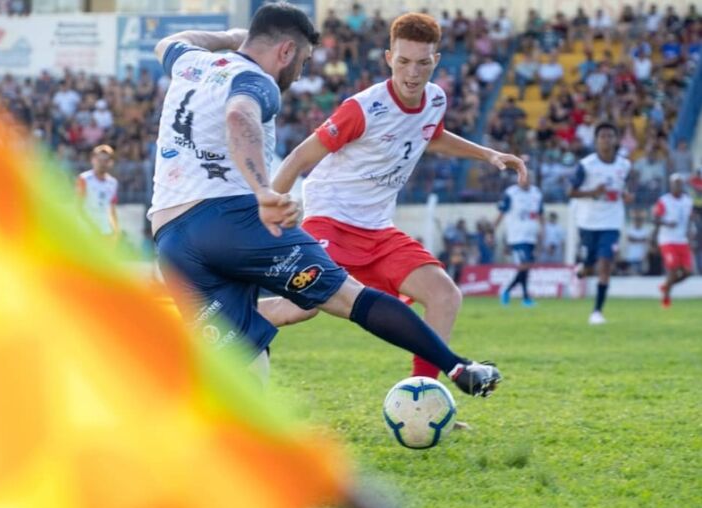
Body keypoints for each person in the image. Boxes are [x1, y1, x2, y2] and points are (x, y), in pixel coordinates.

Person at [147, 3, 500, 397]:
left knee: (239, 354)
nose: (299, 74)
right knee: (350, 298)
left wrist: (231, 39)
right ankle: (458, 368)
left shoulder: (190, 63)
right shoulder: (257, 82)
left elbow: (170, 42)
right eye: (302, 60)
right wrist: (264, 191)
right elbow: (239, 117)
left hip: (170, 235)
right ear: (284, 51)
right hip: (227, 221)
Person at [271, 12, 526, 381]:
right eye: (403, 62)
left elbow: (431, 135)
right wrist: (262, 213)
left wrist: (487, 154)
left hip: (377, 229)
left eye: (423, 63)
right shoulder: (362, 108)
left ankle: (423, 401)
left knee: (445, 296)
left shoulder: (435, 99)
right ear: (389, 58)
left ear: (435, 62)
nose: (412, 73)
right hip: (331, 219)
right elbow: (299, 157)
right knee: (301, 308)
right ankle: (217, 326)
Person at [569, 122, 633, 325]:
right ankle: (581, 268)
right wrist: (593, 193)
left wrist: (627, 195)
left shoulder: (625, 165)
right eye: (602, 136)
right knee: (588, 268)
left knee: (605, 265)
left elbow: (626, 188)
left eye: (610, 136)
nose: (606, 140)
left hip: (612, 222)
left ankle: (597, 311)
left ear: (616, 140)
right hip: (588, 221)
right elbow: (570, 192)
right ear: (596, 140)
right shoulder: (586, 165)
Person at [494, 177, 544, 307]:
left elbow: (540, 213)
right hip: (517, 236)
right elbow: (502, 212)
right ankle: (513, 293)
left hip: (531, 236)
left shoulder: (536, 193)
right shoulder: (511, 193)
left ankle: (521, 296)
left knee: (526, 267)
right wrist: (492, 229)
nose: (525, 180)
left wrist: (542, 230)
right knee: (524, 265)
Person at [653, 174, 694, 307]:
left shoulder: (687, 201)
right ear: (670, 185)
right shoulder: (664, 201)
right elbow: (656, 218)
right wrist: (666, 223)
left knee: (688, 272)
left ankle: (666, 285)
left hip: (682, 240)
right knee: (673, 269)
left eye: (679, 183)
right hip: (667, 239)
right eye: (674, 183)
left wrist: (689, 234)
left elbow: (689, 220)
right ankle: (666, 298)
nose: (677, 186)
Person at [76, 144, 120, 240]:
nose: (102, 163)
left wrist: (116, 230)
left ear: (110, 162)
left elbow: (112, 208)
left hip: (105, 231)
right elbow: (78, 207)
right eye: (99, 160)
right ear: (93, 160)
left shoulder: (113, 182)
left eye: (106, 160)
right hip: (86, 231)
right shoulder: (84, 179)